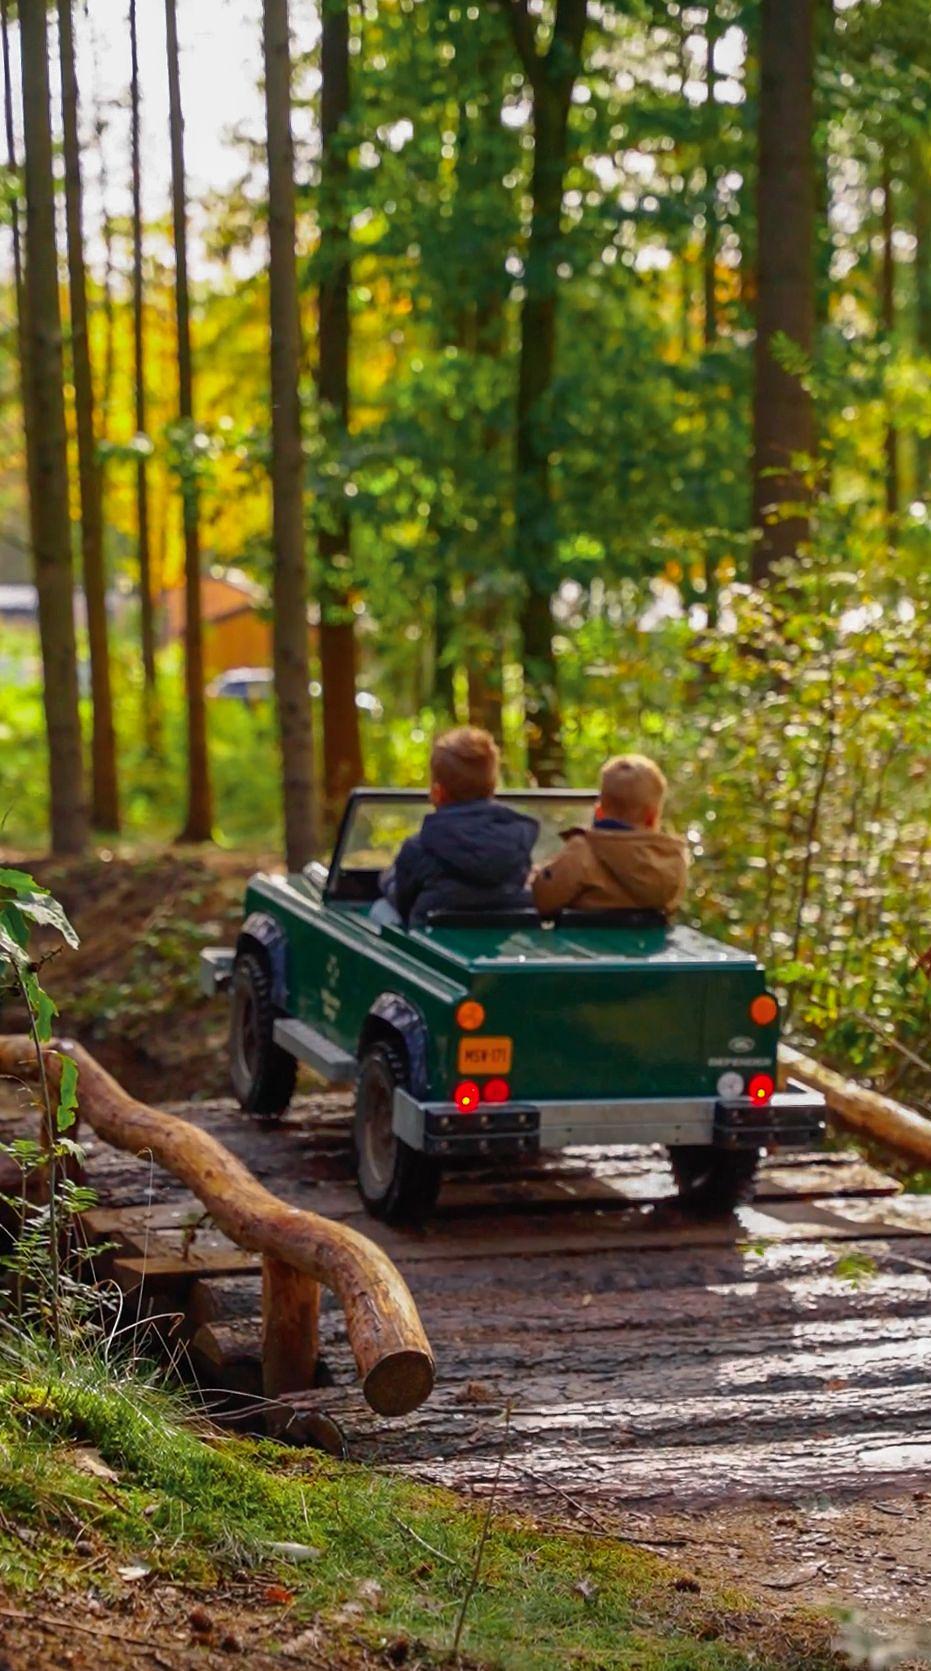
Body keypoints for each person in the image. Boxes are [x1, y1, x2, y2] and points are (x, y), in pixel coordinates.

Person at [376, 727, 538, 927]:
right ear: (493, 788)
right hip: (499, 942)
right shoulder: (517, 843)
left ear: (437, 793)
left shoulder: (418, 849)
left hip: (430, 946)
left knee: (380, 910)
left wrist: (387, 880)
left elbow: (402, 900)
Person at [531, 752, 688, 918]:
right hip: (648, 943)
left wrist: (540, 875)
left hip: (585, 942)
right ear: (652, 816)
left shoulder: (582, 851)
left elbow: (544, 899)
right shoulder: (670, 859)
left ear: (598, 811)